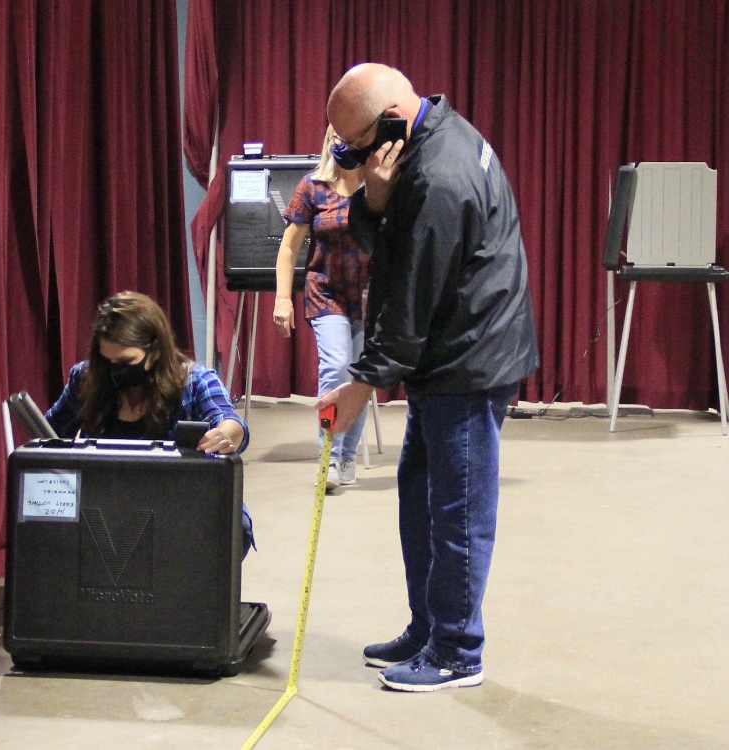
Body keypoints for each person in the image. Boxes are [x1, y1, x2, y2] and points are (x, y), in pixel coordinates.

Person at [318, 64, 539, 692]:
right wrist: (378, 198)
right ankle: (430, 626)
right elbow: (387, 236)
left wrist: (358, 388)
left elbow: (409, 303)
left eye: (351, 145)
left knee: (458, 510)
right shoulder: (418, 144)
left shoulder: (441, 174)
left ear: (387, 123)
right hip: (445, 359)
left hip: (468, 363)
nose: (349, 158)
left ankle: (457, 652)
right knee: (418, 494)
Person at [45, 290, 255, 555]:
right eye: (106, 361)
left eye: (125, 362)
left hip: (176, 503)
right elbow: (48, 433)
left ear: (155, 351)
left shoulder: (195, 382)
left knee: (232, 527)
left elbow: (231, 424)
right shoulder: (86, 378)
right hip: (102, 501)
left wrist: (224, 435)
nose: (114, 370)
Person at [273, 126, 371, 492]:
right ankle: (327, 459)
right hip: (326, 292)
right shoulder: (312, 187)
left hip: (368, 298)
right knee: (335, 367)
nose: (340, 143)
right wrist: (283, 298)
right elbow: (289, 248)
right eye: (334, 136)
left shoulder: (377, 187)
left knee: (362, 376)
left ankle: (346, 459)